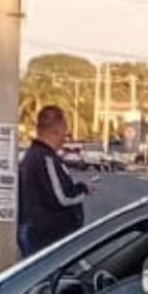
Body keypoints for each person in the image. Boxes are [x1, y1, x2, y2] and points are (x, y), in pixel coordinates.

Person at [18, 105, 93, 257]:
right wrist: (83, 189)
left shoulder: (34, 156)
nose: (65, 135)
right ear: (56, 130)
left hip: (39, 233)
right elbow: (62, 197)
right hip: (47, 237)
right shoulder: (46, 159)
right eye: (65, 129)